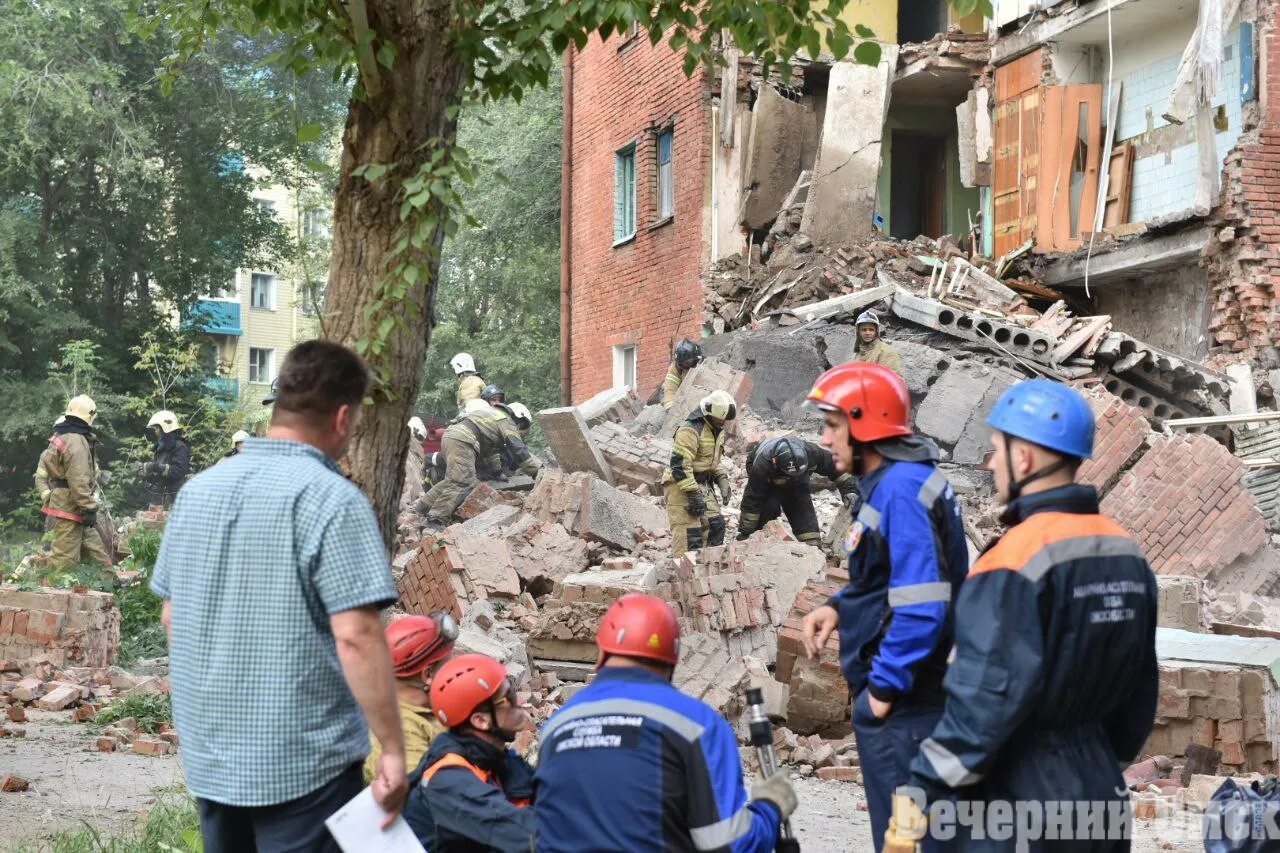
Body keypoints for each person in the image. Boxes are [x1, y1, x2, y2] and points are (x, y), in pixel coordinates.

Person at [150, 340, 408, 852]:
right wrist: (394, 752)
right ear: (342, 417)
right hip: (303, 767)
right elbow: (356, 636)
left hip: (213, 761)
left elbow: (172, 618)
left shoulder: (199, 491)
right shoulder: (334, 500)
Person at [890, 380, 1158, 851]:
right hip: (1101, 793)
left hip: (1019, 796)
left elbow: (981, 704)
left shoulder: (1013, 559)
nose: (990, 464)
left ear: (1025, 459)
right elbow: (1139, 697)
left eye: (996, 451)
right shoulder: (1125, 552)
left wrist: (916, 798)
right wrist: (1092, 761)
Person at [799, 363, 968, 853]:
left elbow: (921, 606)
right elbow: (886, 581)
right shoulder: (897, 481)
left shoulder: (900, 491)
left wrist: (881, 696)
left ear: (863, 424)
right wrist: (839, 606)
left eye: (833, 426)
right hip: (912, 703)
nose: (825, 439)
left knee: (906, 843)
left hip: (907, 709)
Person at [534, 593, 797, 852]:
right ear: (672, 658)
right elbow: (728, 844)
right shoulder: (696, 726)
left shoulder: (555, 727)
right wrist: (769, 808)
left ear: (601, 650)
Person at [402, 653, 537, 851]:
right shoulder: (447, 779)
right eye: (507, 698)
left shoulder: (493, 757)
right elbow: (523, 835)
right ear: (480, 720)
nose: (519, 701)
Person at [364, 612, 458, 783]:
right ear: (428, 674)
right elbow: (422, 797)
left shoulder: (427, 707)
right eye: (447, 664)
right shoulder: (402, 732)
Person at [418, 399, 541, 528]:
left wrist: (497, 472)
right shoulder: (506, 420)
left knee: (454, 479)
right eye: (520, 428)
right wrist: (535, 472)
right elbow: (518, 448)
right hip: (463, 439)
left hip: (452, 435)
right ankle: (435, 519)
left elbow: (490, 451)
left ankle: (423, 506)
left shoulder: (493, 415)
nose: (518, 430)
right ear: (519, 421)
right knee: (464, 481)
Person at [737, 434, 859, 545]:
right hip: (770, 485)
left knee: (810, 536)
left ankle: (812, 547)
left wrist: (850, 490)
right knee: (767, 510)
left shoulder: (812, 452)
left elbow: (838, 469)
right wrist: (747, 532)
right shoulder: (763, 464)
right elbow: (753, 497)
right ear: (775, 462)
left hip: (799, 485)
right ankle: (757, 541)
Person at [35, 395, 111, 569]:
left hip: (73, 504)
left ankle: (108, 582)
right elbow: (78, 479)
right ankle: (57, 590)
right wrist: (89, 507)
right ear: (89, 416)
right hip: (71, 505)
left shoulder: (69, 437)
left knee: (95, 551)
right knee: (64, 560)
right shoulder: (76, 441)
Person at [661, 389, 736, 556]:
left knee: (716, 525)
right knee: (690, 536)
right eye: (721, 418)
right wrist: (693, 494)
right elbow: (680, 465)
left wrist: (722, 478)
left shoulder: (716, 429)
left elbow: (711, 461)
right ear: (709, 413)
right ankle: (684, 575)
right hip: (680, 484)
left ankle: (707, 569)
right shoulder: (690, 429)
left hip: (701, 483)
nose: (723, 422)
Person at [140, 410, 191, 507]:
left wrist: (155, 467)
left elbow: (178, 471)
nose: (155, 431)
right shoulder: (161, 448)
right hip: (160, 497)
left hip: (175, 498)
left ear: (165, 428)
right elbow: (159, 474)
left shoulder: (180, 447)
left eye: (156, 428)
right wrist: (144, 473)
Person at [853, 310, 903, 375]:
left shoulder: (886, 352)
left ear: (876, 332)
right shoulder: (858, 354)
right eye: (864, 330)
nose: (867, 333)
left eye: (871, 330)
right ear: (858, 332)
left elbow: (892, 378)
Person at [660, 338, 705, 409]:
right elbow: (670, 390)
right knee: (664, 389)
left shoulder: (705, 363)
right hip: (682, 394)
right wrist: (671, 410)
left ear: (697, 359)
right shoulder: (675, 368)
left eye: (689, 362)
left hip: (699, 393)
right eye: (683, 364)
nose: (687, 367)